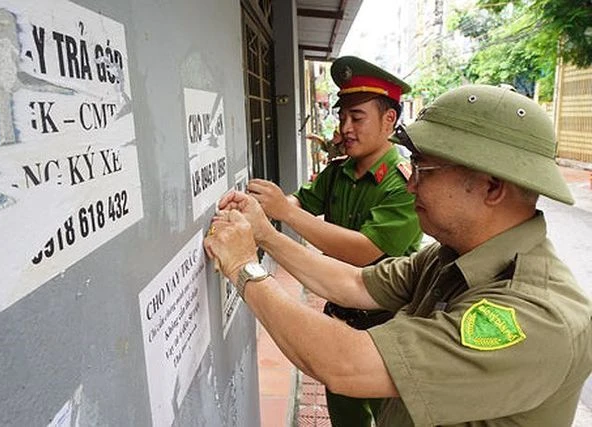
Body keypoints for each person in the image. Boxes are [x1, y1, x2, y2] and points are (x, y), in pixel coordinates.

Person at [204, 84, 592, 426]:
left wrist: (243, 267)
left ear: (491, 188)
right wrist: (265, 235)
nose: (410, 186)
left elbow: (345, 364)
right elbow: (354, 282)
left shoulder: (536, 318)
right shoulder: (452, 257)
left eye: (424, 170)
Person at [247, 56, 423, 425]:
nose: (345, 128)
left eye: (357, 118)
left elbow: (363, 250)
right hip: (340, 318)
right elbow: (301, 200)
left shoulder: (403, 182)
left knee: (392, 418)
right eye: (342, 117)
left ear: (389, 120)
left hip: (387, 328)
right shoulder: (339, 171)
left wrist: (286, 213)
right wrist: (261, 210)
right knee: (345, 415)